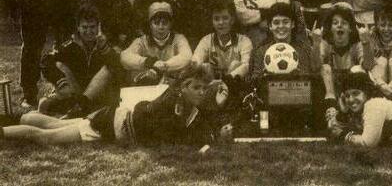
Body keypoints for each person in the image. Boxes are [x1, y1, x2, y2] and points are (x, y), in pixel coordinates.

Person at [0, 67, 233, 147]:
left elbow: (198, 124)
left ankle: (16, 118)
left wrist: (216, 100)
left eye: (203, 89)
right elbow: (180, 132)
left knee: (55, 123)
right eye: (196, 88)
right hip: (110, 126)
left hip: (111, 116)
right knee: (45, 137)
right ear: (183, 87)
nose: (201, 93)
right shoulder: (173, 99)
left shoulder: (189, 107)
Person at [39, 4, 121, 118]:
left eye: (92, 27)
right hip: (75, 93)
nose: (88, 31)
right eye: (84, 27)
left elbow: (118, 66)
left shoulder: (104, 43)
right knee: (44, 103)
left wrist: (104, 47)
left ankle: (80, 108)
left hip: (96, 95)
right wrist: (60, 80)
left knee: (108, 68)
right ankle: (77, 108)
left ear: (98, 27)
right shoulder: (70, 45)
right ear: (78, 27)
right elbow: (46, 60)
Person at [192, 0, 253, 104]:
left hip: (234, 85)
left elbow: (246, 65)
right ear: (212, 21)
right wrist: (196, 64)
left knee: (236, 64)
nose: (221, 23)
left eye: (225, 18)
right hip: (212, 84)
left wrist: (227, 79)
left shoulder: (244, 40)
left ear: (232, 20)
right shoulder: (207, 40)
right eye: (216, 19)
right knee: (205, 66)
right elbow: (196, 58)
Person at [120, 2, 192, 85]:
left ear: (170, 24)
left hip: (171, 86)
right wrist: (147, 62)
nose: (161, 27)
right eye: (156, 23)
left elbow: (186, 56)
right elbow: (124, 56)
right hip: (146, 87)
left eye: (165, 23)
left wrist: (164, 66)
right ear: (150, 25)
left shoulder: (179, 38)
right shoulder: (142, 41)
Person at [249, 2, 321, 83]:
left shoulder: (303, 49)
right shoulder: (261, 51)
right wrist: (266, 76)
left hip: (298, 94)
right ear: (270, 26)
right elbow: (254, 81)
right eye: (276, 23)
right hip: (270, 94)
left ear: (292, 24)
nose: (281, 26)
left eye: (285, 22)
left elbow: (310, 77)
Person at [319, 2, 373, 102]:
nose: (339, 25)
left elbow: (368, 66)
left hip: (352, 91)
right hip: (332, 90)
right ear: (330, 28)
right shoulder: (325, 44)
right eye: (335, 23)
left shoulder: (357, 44)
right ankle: (330, 104)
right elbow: (315, 66)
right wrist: (315, 44)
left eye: (344, 23)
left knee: (358, 69)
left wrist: (366, 43)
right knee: (325, 67)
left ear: (351, 29)